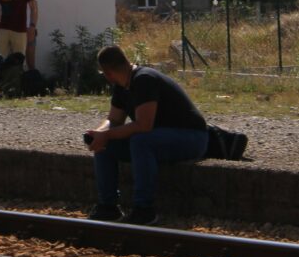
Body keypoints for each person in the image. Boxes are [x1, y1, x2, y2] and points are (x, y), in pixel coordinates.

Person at [85, 45, 208, 226]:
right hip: (160, 138)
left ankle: (144, 209)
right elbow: (114, 119)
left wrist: (107, 134)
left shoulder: (144, 80)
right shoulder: (122, 85)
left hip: (191, 138)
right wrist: (98, 133)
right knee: (105, 145)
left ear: (107, 73)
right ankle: (108, 206)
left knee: (140, 141)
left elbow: (144, 125)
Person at [14, 0, 38, 71]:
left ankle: (33, 84)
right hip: (15, 32)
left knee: (30, 62)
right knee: (17, 62)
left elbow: (35, 12)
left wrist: (32, 27)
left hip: (28, 31)